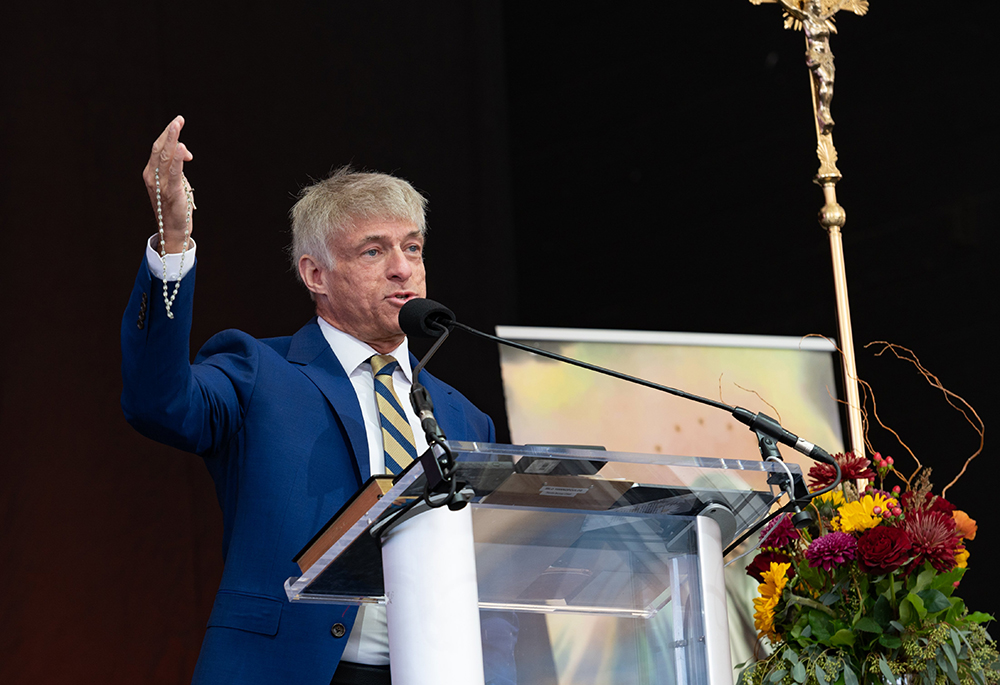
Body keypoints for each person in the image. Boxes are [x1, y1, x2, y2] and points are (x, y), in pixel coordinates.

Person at [121, 116, 505, 685]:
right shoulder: (259, 372)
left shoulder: (463, 416)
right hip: (295, 669)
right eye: (373, 252)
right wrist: (173, 243)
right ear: (315, 274)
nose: (403, 268)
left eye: (413, 247)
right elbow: (158, 400)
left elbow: (497, 569)